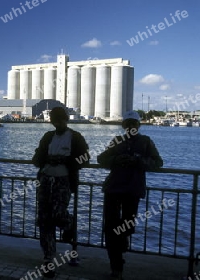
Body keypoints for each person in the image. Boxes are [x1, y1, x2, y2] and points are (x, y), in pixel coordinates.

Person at [97, 110, 163, 280]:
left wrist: (138, 161)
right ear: (124, 126)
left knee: (126, 225)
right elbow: (101, 159)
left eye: (133, 124)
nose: (131, 127)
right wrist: (116, 160)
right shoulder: (117, 141)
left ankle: (122, 244)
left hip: (132, 190)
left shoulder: (146, 142)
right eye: (128, 124)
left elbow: (158, 162)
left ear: (138, 125)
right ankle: (116, 266)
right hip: (113, 188)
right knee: (111, 229)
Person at [32, 106, 89, 278]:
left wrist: (65, 161)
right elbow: (36, 159)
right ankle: (48, 260)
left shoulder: (76, 137)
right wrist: (47, 159)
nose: (58, 123)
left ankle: (69, 224)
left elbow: (85, 158)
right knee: (44, 220)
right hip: (45, 181)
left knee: (58, 214)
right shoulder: (47, 137)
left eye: (61, 120)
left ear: (66, 120)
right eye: (55, 120)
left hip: (63, 181)